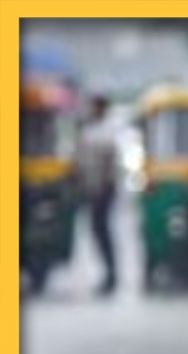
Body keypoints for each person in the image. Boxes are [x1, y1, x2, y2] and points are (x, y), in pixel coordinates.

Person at [76, 94, 119, 296]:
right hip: (90, 188)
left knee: (103, 232)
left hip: (104, 190)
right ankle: (107, 273)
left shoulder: (108, 131)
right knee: (96, 232)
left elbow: (110, 165)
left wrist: (105, 188)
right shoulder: (88, 130)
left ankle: (111, 274)